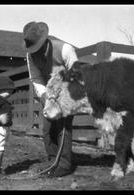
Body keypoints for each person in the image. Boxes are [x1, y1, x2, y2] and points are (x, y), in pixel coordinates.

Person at [22, 21, 78, 177]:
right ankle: (53, 160)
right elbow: (36, 79)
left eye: (38, 48)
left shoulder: (65, 49)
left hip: (68, 90)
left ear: (44, 41)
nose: (36, 53)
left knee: (63, 128)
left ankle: (64, 165)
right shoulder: (30, 56)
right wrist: (45, 97)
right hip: (48, 93)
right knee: (47, 128)